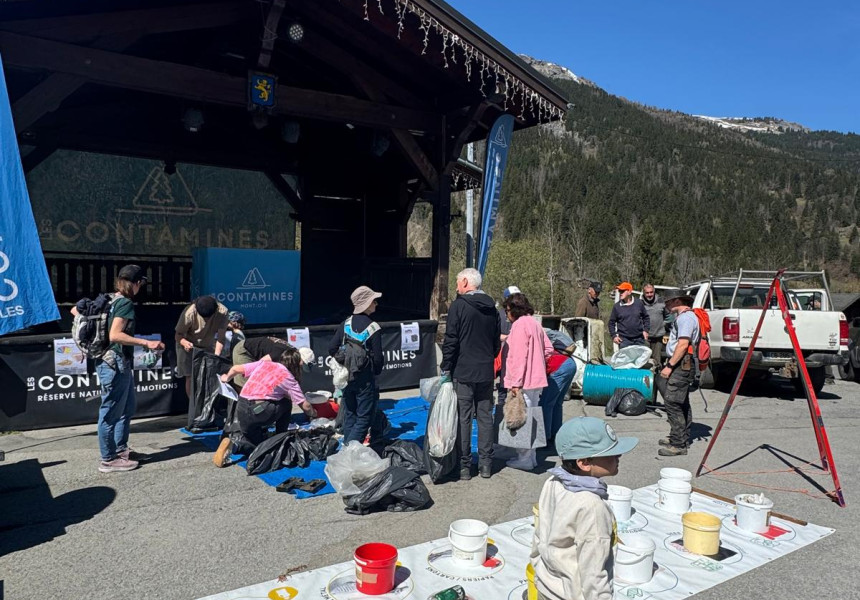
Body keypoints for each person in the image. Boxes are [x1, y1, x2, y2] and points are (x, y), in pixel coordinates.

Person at [530, 417, 638, 600]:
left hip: (547, 586)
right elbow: (594, 574)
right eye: (611, 453)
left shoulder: (554, 481)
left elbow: (540, 534)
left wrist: (538, 567)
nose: (618, 456)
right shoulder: (592, 507)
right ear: (584, 463)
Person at [71, 264, 165, 473]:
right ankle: (108, 459)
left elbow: (75, 310)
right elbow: (115, 335)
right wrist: (146, 343)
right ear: (136, 283)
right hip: (115, 362)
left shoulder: (107, 300)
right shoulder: (125, 304)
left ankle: (121, 450)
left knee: (126, 409)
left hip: (108, 361)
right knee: (111, 412)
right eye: (140, 283)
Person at [440, 268, 501, 480]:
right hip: (485, 370)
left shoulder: (459, 306)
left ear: (465, 282)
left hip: (463, 370)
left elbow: (451, 340)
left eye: (458, 283)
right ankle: (486, 465)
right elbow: (496, 343)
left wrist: (445, 365)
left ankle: (464, 466)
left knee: (463, 418)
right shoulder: (492, 308)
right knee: (485, 418)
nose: (456, 287)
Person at [214, 347, 317, 466]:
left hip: (241, 409)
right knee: (286, 402)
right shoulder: (289, 378)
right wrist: (314, 414)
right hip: (257, 411)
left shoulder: (265, 364)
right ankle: (280, 437)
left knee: (259, 445)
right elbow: (305, 406)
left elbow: (236, 368)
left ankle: (234, 446)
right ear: (299, 364)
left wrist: (226, 378)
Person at [502, 292, 553, 471]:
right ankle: (530, 458)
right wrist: (538, 362)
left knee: (521, 418)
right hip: (537, 378)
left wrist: (515, 382)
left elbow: (518, 356)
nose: (507, 314)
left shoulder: (519, 325)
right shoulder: (534, 323)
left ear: (514, 310)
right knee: (532, 417)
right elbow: (549, 348)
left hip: (523, 380)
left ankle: (524, 458)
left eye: (507, 310)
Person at [327, 286, 385, 446]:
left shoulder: (345, 324)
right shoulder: (373, 327)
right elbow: (379, 358)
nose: (376, 304)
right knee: (364, 417)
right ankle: (350, 451)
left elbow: (331, 348)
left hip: (347, 377)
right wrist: (374, 371)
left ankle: (347, 446)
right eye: (374, 301)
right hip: (365, 378)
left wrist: (344, 362)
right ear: (366, 304)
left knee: (350, 413)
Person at [656, 293, 700, 457]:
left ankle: (678, 444)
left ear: (677, 301)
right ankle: (680, 437)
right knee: (681, 402)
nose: (666, 305)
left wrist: (669, 365)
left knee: (672, 401)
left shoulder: (685, 319)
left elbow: (682, 345)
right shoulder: (685, 317)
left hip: (681, 364)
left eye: (667, 301)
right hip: (683, 363)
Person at [174, 295, 229, 400]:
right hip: (187, 345)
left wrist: (216, 356)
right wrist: (185, 343)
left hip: (207, 345)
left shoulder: (223, 312)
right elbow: (178, 335)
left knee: (209, 374)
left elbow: (220, 339)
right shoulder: (189, 313)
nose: (206, 320)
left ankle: (206, 403)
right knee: (190, 376)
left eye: (208, 317)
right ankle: (193, 406)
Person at [493, 285, 518, 453]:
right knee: (502, 395)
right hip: (504, 358)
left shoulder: (522, 318)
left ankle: (511, 434)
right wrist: (510, 337)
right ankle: (498, 434)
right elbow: (496, 335)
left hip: (513, 361)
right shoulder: (501, 315)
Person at [541, 348, 577, 449]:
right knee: (556, 403)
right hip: (569, 363)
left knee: (546, 404)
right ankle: (555, 435)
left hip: (559, 367)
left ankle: (545, 438)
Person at [232, 335, 296, 387]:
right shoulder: (280, 353)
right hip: (245, 350)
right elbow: (259, 365)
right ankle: (243, 401)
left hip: (257, 352)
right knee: (247, 385)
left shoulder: (293, 351)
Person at [608, 282, 650, 349]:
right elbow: (611, 323)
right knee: (626, 359)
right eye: (619, 291)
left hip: (639, 339)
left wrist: (646, 330)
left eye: (623, 291)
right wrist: (614, 336)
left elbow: (646, 317)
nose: (620, 293)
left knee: (640, 359)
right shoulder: (617, 307)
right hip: (624, 341)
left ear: (629, 292)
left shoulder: (639, 303)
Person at [641, 284, 670, 364]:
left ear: (654, 292)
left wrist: (663, 324)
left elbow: (669, 316)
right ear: (644, 293)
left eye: (651, 292)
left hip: (658, 336)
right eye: (647, 293)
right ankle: (645, 376)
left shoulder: (661, 302)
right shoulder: (640, 304)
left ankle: (657, 375)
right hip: (645, 337)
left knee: (657, 360)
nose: (649, 295)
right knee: (644, 359)